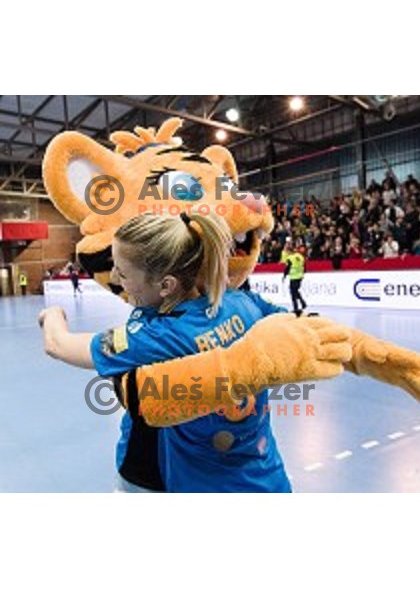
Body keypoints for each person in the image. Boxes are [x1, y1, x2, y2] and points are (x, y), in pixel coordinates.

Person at [39, 210, 295, 493]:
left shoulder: (159, 338)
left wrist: (52, 314)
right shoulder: (241, 301)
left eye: (122, 273)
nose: (113, 276)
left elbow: (58, 344)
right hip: (268, 477)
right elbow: (293, 326)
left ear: (166, 285)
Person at [282, 244, 307, 317]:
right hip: (300, 276)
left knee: (293, 293)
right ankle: (302, 302)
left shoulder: (290, 258)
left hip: (293, 277)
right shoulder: (300, 256)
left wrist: (284, 275)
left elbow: (288, 268)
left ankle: (296, 308)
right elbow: (304, 267)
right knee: (295, 291)